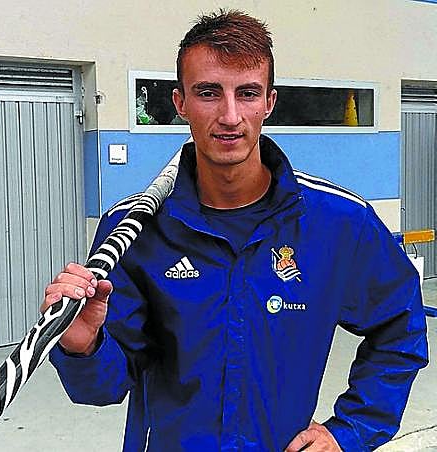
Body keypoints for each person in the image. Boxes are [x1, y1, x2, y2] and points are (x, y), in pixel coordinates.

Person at [42, 9, 429, 451]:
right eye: (209, 93)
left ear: (269, 102)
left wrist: (349, 431)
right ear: (180, 103)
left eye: (247, 93)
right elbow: (102, 388)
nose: (230, 115)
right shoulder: (134, 231)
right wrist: (83, 345)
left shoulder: (338, 223)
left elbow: (401, 327)